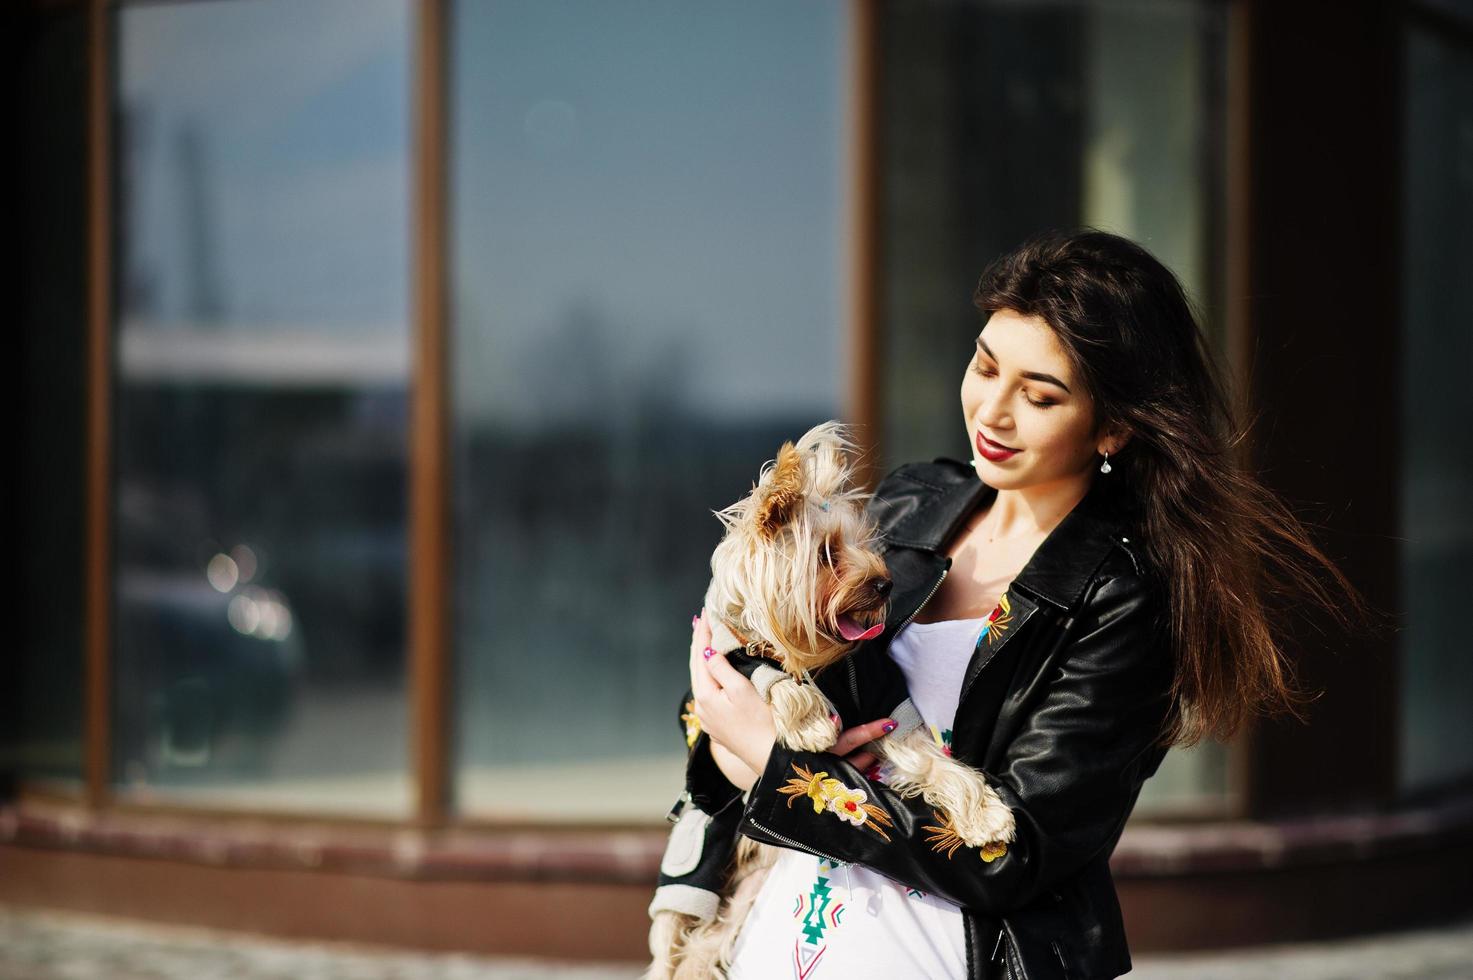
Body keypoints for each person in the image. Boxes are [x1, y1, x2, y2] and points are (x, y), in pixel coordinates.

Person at [680, 228, 1377, 979]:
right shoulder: (913, 502)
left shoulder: (1124, 597)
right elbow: (744, 680)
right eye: (984, 365)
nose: (993, 411)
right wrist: (728, 742)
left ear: (1111, 426)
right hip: (779, 938)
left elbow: (1013, 853)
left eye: (1039, 395)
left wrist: (776, 769)